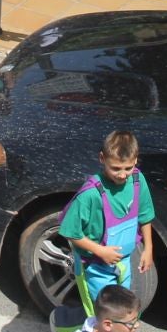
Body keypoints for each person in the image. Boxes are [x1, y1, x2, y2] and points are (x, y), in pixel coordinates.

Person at [60, 131, 156, 316]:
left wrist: (148, 248)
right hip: (96, 266)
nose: (122, 175)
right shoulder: (90, 194)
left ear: (136, 160)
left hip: (124, 262)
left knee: (122, 312)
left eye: (128, 168)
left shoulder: (138, 180)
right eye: (116, 168)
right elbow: (70, 231)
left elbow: (145, 215)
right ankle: (68, 327)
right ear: (102, 158)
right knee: (104, 316)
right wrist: (100, 251)